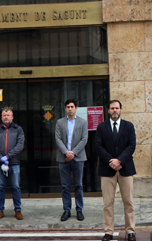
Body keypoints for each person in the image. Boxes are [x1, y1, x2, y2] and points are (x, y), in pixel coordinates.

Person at [95, 100, 136, 241]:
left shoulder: (129, 126)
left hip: (126, 169)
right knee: (107, 204)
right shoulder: (101, 127)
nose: (115, 111)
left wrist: (120, 160)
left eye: (117, 108)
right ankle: (108, 232)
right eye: (112, 108)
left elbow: (131, 146)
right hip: (107, 170)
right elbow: (98, 147)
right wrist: (111, 161)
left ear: (121, 110)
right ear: (108, 110)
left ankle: (130, 231)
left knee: (129, 202)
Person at [55, 99, 88, 222]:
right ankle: (67, 210)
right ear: (65, 109)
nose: (70, 109)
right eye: (68, 107)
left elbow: (84, 139)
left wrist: (73, 152)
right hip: (63, 158)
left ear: (76, 108)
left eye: (72, 107)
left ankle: (79, 209)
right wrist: (66, 152)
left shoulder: (83, 122)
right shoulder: (59, 122)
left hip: (78, 158)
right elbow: (57, 139)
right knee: (65, 186)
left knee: (78, 185)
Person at [0, 108, 25, 220]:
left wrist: (8, 157)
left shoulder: (18, 129)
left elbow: (20, 145)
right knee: (0, 187)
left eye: (8, 115)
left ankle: (18, 210)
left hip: (14, 163)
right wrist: (1, 158)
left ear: (12, 117)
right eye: (4, 115)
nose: (6, 117)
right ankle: (0, 210)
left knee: (16, 186)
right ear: (1, 117)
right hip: (0, 163)